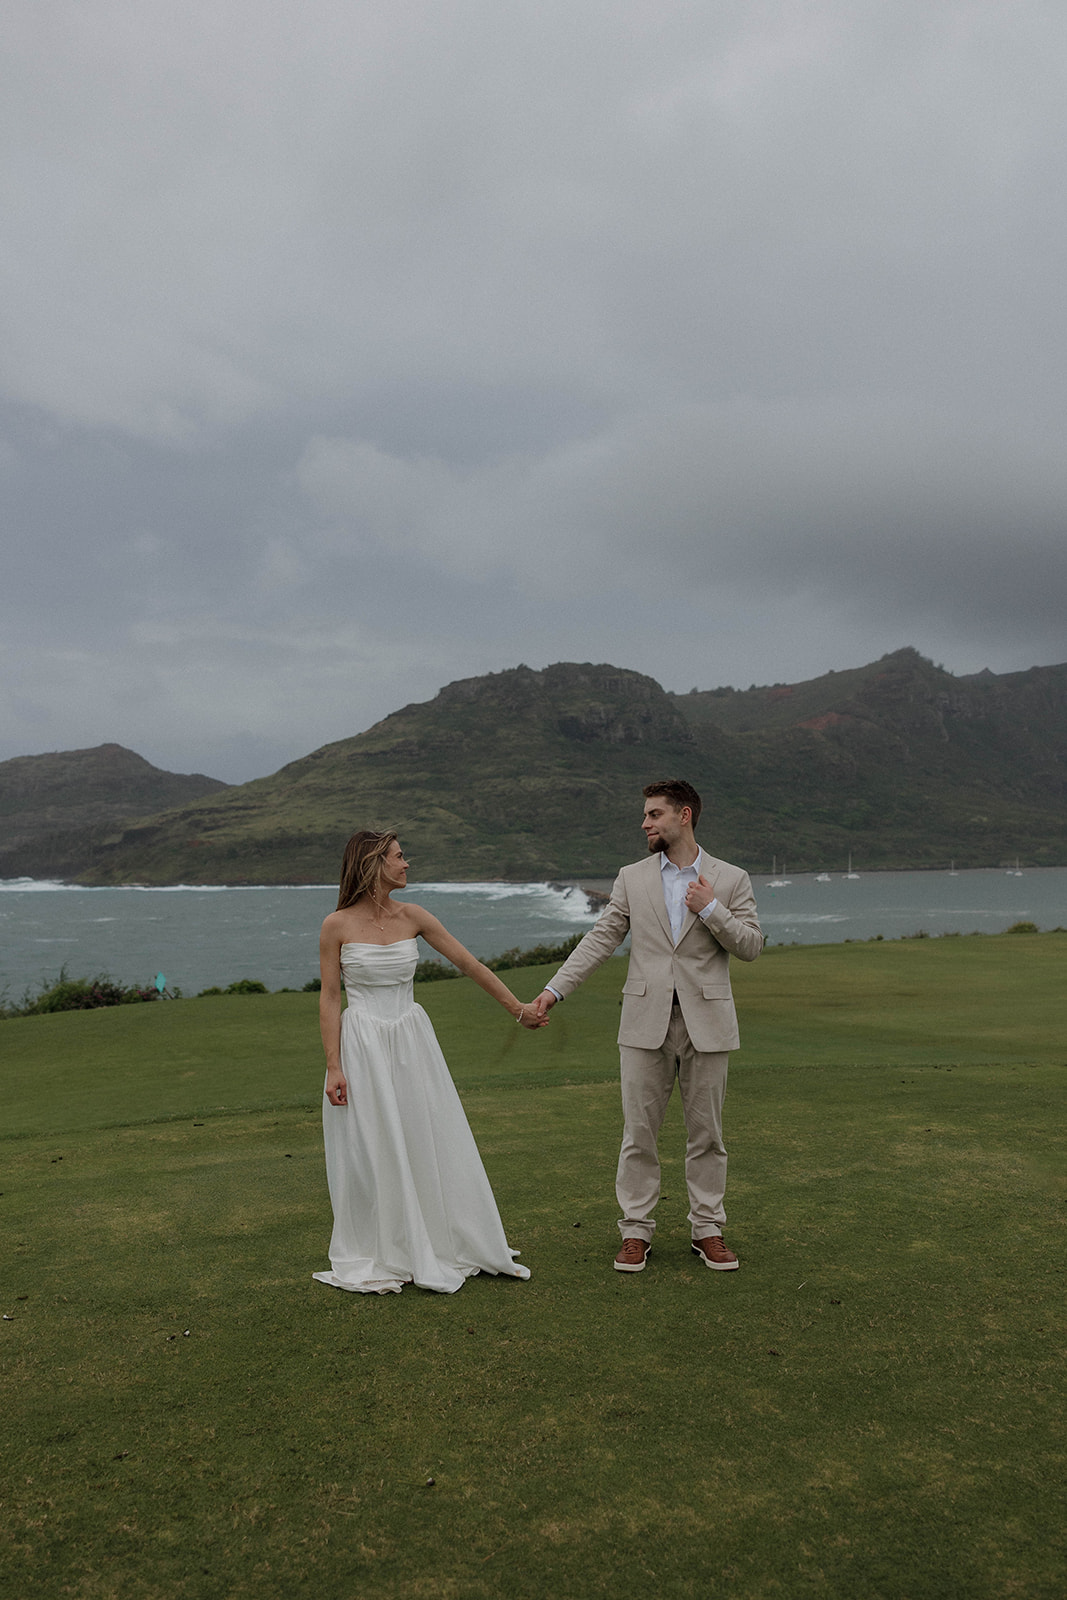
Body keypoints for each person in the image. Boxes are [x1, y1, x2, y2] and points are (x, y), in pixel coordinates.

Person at [532, 780, 762, 1273]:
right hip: (642, 1021)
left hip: (709, 1021)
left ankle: (708, 1228)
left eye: (654, 814)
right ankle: (635, 1231)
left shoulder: (731, 878)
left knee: (708, 1135)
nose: (645, 823)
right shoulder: (631, 877)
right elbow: (600, 940)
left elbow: (750, 945)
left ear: (684, 815)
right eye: (645, 815)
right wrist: (553, 991)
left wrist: (712, 909)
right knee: (639, 1134)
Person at [313, 829, 544, 1295]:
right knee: (373, 1146)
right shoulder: (335, 925)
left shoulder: (415, 916)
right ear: (374, 864)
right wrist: (334, 1066)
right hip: (363, 1047)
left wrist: (517, 1008)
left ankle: (438, 1238)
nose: (407, 863)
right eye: (399, 857)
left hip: (411, 1041)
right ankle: (390, 1246)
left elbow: (470, 964)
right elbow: (330, 997)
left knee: (426, 1133)